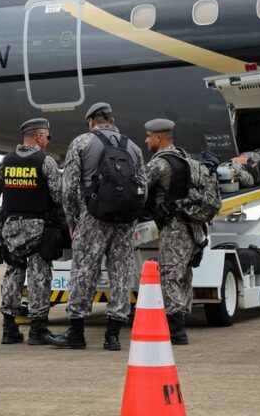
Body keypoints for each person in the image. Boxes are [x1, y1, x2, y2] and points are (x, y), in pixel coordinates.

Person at [47, 102, 146, 351]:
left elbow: (68, 188)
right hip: (123, 222)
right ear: (112, 120)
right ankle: (113, 336)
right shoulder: (132, 147)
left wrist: (72, 220)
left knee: (83, 273)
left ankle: (77, 333)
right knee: (121, 274)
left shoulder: (81, 143)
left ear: (91, 121)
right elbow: (142, 189)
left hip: (92, 219)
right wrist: (131, 218)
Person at [0, 118, 63, 346]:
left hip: (11, 228)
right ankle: (37, 329)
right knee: (39, 276)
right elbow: (58, 196)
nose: (48, 139)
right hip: (37, 228)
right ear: (38, 136)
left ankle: (9, 328)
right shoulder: (45, 162)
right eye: (47, 135)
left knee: (13, 273)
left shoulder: (5, 162)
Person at [143, 118, 207, 345]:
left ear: (158, 137)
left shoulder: (159, 164)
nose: (146, 140)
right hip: (194, 228)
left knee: (170, 274)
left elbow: (139, 188)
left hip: (175, 228)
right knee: (184, 275)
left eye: (149, 136)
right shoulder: (188, 160)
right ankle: (181, 321)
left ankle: (176, 330)